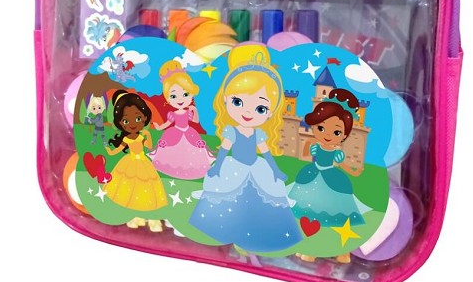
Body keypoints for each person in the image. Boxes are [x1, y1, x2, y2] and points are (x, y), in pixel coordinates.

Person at [189, 44, 302, 253]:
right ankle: (225, 230)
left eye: (260, 108)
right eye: (238, 102)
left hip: (256, 167)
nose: (248, 112)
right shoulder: (232, 131)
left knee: (266, 197)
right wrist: (217, 167)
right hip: (234, 167)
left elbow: (266, 152)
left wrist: (275, 170)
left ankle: (258, 232)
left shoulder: (259, 133)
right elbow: (224, 150)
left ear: (270, 112)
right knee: (226, 195)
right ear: (225, 100)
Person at [289, 88, 366, 263]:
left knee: (333, 218)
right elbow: (304, 154)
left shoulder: (337, 152)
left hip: (332, 182)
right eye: (321, 128)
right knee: (309, 215)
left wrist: (354, 172)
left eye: (337, 132)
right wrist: (308, 143)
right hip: (313, 177)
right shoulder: (316, 147)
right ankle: (309, 246)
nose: (328, 135)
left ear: (345, 135)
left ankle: (341, 251)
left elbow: (343, 165)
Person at [105, 90, 167, 231]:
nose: (132, 124)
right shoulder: (126, 139)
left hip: (143, 163)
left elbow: (149, 146)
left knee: (145, 190)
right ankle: (134, 217)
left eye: (138, 119)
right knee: (130, 190)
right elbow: (118, 149)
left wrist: (148, 135)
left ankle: (152, 219)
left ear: (145, 118)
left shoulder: (141, 136)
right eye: (126, 121)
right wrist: (110, 151)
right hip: (130, 163)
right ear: (120, 123)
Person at [149, 60, 214, 179]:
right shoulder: (172, 113)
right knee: (172, 151)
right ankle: (171, 169)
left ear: (191, 94)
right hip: (174, 133)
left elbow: (195, 121)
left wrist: (195, 111)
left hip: (189, 133)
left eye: (185, 94)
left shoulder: (189, 112)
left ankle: (191, 171)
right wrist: (158, 127)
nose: (180, 99)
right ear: (168, 99)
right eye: (173, 96)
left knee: (191, 152)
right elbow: (167, 123)